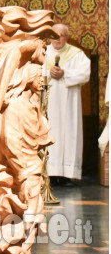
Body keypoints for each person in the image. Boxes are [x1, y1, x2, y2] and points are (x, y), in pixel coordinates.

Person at [46, 23, 90, 186]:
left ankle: (66, 175)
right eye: (55, 35)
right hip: (48, 103)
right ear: (50, 37)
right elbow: (32, 72)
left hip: (69, 104)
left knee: (69, 133)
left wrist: (66, 73)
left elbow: (85, 74)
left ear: (67, 37)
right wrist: (48, 73)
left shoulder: (76, 54)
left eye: (62, 35)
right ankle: (48, 173)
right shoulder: (42, 52)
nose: (58, 39)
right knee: (49, 131)